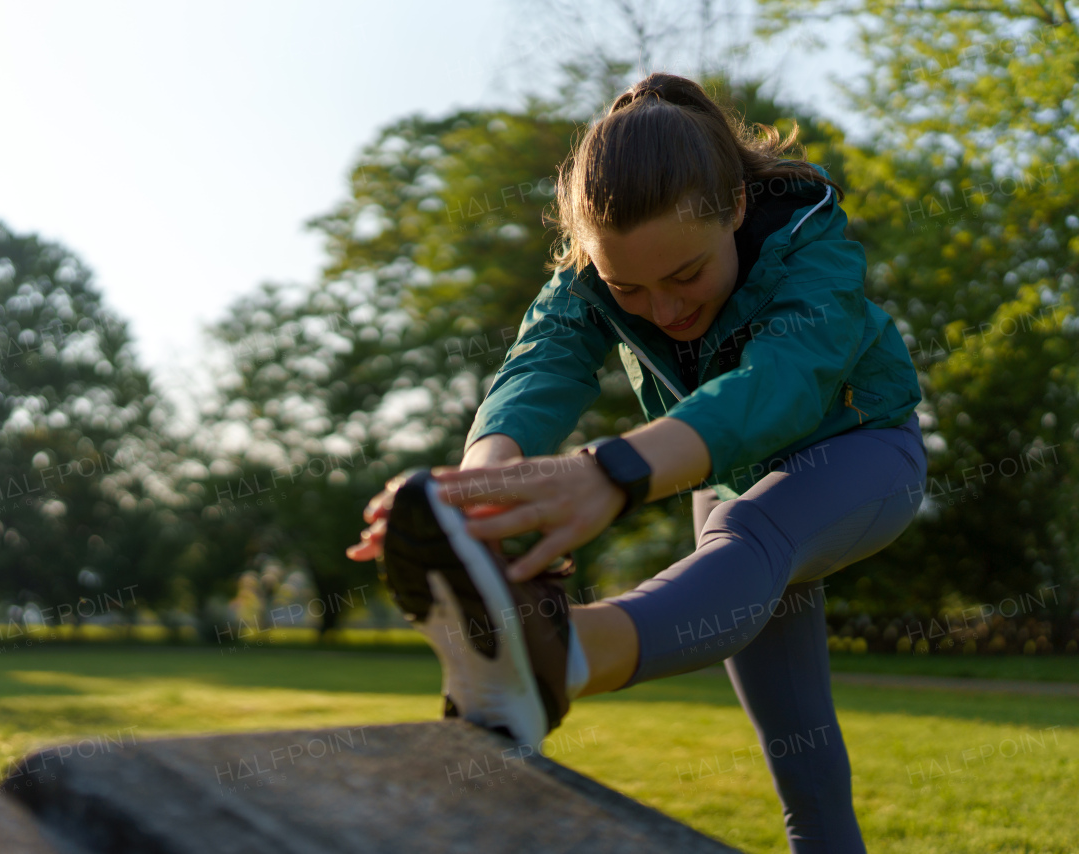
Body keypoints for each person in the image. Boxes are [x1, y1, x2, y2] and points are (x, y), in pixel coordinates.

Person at [346, 72, 926, 854]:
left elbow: (784, 383)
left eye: (686, 274)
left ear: (737, 209)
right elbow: (537, 370)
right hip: (722, 478)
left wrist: (608, 472)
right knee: (804, 770)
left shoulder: (811, 246)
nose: (664, 311)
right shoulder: (585, 280)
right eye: (631, 288)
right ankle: (536, 660)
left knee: (749, 526)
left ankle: (557, 657)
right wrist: (482, 489)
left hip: (862, 452)